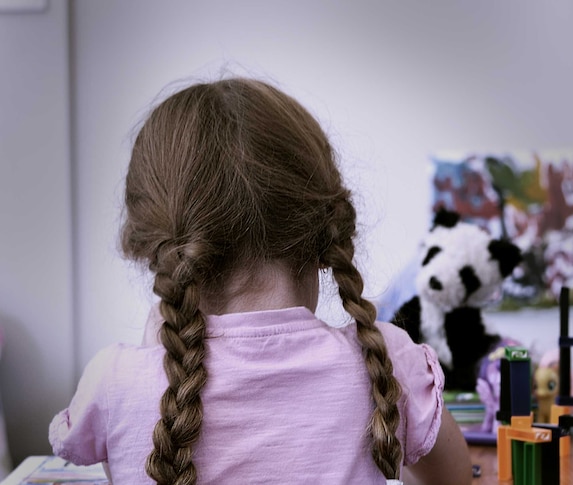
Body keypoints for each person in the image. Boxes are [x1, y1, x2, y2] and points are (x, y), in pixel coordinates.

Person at [49, 77, 473, 485]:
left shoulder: (116, 382)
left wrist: (151, 349)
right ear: (322, 240)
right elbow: (453, 478)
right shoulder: (386, 360)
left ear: (154, 246)